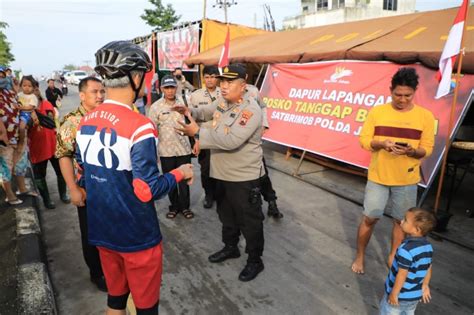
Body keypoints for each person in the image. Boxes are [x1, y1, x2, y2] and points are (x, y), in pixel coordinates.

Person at [76, 41, 193, 315]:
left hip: (102, 229)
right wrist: (181, 172)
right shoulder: (140, 125)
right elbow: (146, 190)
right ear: (137, 77)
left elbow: (85, 173)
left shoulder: (87, 120)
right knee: (145, 308)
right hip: (136, 234)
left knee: (115, 301)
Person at [176, 63, 266, 282]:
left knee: (250, 220)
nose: (223, 86)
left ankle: (255, 260)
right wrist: (189, 111)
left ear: (243, 85)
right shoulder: (223, 101)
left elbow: (231, 140)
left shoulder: (251, 110)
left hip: (243, 177)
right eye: (222, 81)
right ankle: (231, 247)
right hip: (221, 174)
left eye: (229, 82)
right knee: (226, 216)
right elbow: (204, 111)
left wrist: (198, 132)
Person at [351, 67, 435, 275]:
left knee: (400, 222)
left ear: (415, 92)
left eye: (408, 95)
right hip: (378, 177)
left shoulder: (425, 116)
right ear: (390, 91)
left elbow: (428, 148)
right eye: (398, 94)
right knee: (369, 217)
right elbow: (364, 140)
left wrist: (412, 151)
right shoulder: (377, 112)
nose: (403, 99)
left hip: (406, 179)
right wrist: (381, 144)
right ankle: (360, 255)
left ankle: (392, 257)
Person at [56, 77, 106, 291]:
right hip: (87, 188)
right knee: (91, 234)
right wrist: (74, 189)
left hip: (109, 188)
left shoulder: (107, 117)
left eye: (102, 91)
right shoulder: (72, 121)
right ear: (82, 95)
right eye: (95, 92)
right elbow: (64, 155)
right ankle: (97, 273)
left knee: (111, 231)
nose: (100, 96)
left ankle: (112, 268)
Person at [148, 75, 194, 219]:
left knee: (185, 180)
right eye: (166, 88)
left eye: (172, 87)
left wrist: (196, 141)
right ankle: (174, 206)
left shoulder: (184, 103)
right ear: (162, 89)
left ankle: (185, 207)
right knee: (170, 180)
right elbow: (152, 130)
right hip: (165, 151)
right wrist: (152, 153)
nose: (169, 91)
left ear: (176, 88)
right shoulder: (156, 107)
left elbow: (193, 123)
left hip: (184, 149)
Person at [380, 207, 436, 315]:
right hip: (414, 296)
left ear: (417, 229)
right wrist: (425, 285)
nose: (401, 221)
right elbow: (428, 267)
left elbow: (402, 274)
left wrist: (394, 294)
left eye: (405, 220)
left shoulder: (405, 249)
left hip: (399, 296)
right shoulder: (428, 247)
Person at [245, 80, 283, 219]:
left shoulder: (253, 91)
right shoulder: (224, 93)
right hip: (234, 145)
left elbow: (262, 107)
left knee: (262, 175)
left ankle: (272, 203)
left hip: (252, 143)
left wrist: (264, 125)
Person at [29, 84, 69, 209]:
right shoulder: (25, 110)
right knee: (40, 176)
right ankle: (46, 200)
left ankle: (63, 194)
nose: (34, 92)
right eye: (30, 90)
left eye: (35, 89)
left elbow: (54, 122)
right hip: (37, 147)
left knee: (61, 172)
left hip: (53, 145)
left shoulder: (47, 104)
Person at [189, 65, 220, 208]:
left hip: (221, 137)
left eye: (213, 77)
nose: (210, 80)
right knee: (205, 168)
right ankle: (209, 195)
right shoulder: (195, 96)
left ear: (218, 78)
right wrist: (196, 139)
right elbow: (191, 119)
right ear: (203, 79)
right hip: (203, 137)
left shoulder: (224, 93)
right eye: (207, 77)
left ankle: (220, 195)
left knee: (221, 167)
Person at [0, 73, 23, 205]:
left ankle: (18, 189)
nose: (1, 79)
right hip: (4, 140)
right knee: (5, 168)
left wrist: (16, 90)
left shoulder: (8, 93)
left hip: (15, 137)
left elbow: (19, 104)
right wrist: (3, 135)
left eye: (2, 76)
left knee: (15, 164)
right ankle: (9, 195)